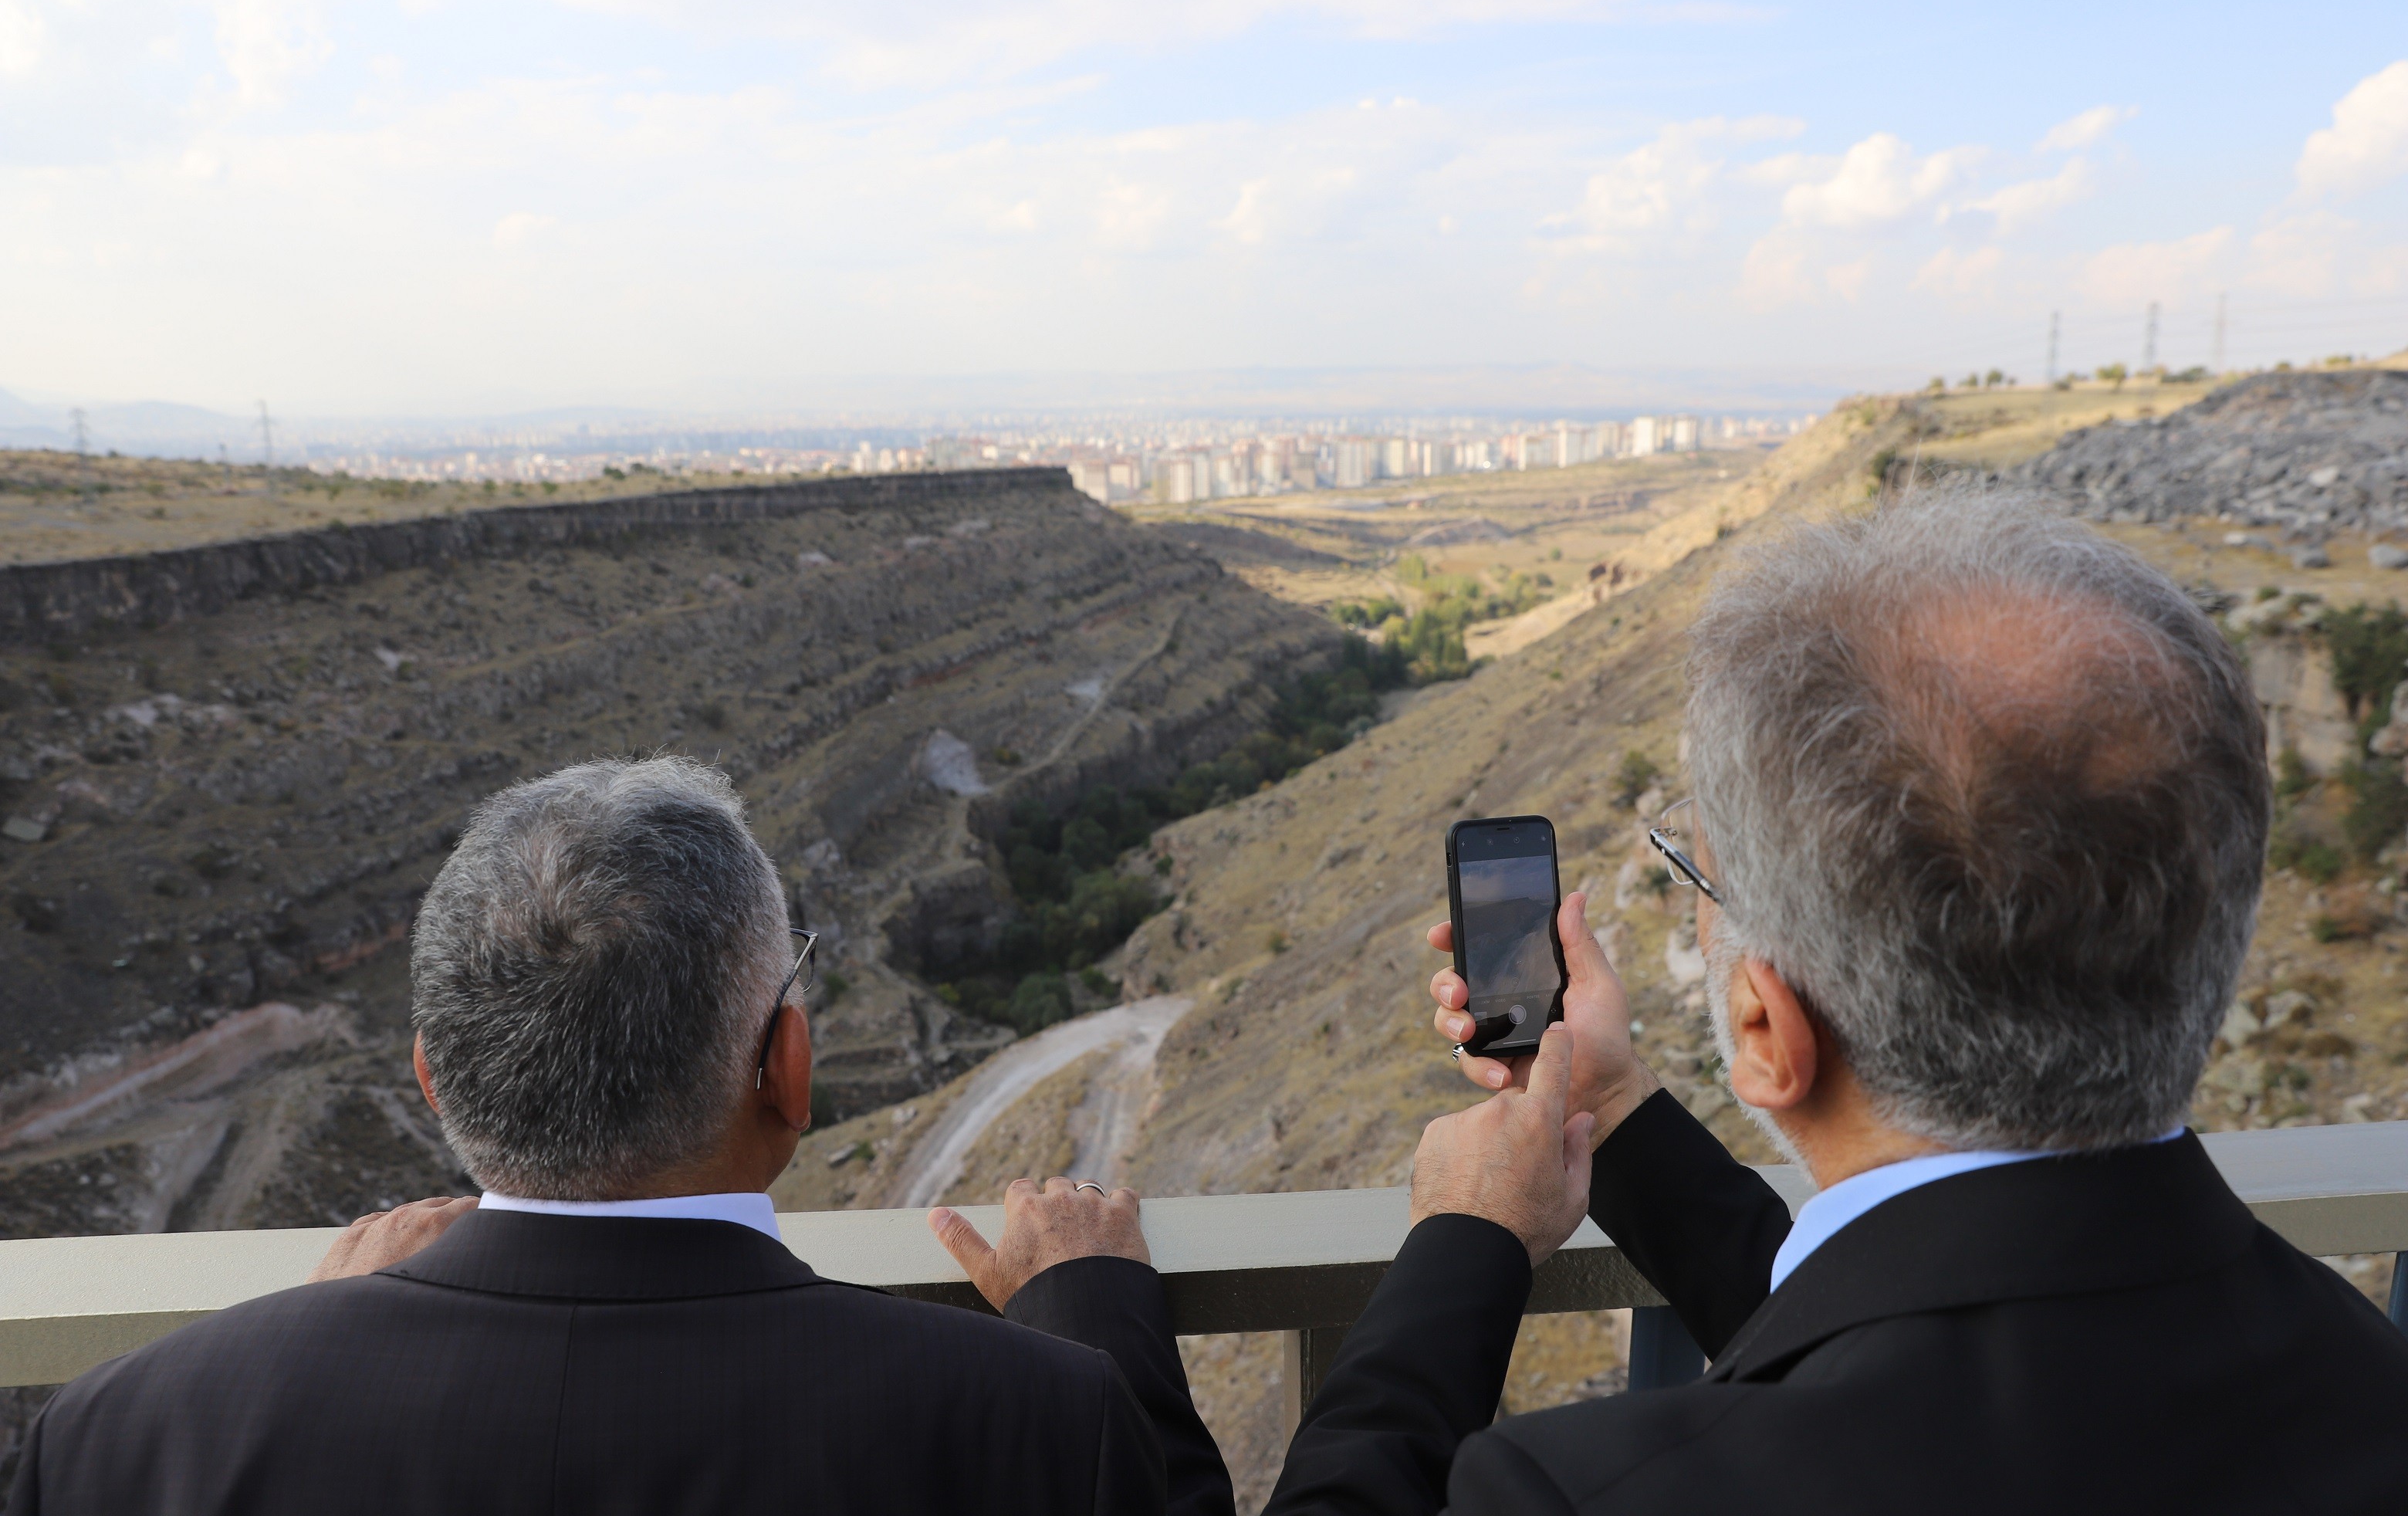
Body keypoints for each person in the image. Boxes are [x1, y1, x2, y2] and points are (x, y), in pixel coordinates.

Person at [1266, 494, 2408, 1515]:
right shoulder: (2365, 1380)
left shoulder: (1588, 1492)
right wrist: (1607, 1103)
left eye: (1699, 880)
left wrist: (1466, 1242)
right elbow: (1931, 1337)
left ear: (1765, 1030)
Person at [6, 757, 1229, 1516]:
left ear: (437, 1080)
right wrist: (1095, 1318)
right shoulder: (1034, 1421)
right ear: (789, 1073)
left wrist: (320, 1338)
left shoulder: (121, 1435)